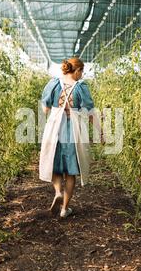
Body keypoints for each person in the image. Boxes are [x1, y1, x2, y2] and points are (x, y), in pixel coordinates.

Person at [39, 57, 98, 218]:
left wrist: (53, 108)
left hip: (55, 129)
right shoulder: (80, 87)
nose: (82, 75)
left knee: (54, 163)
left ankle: (57, 191)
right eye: (81, 72)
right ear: (77, 71)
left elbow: (45, 108)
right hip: (73, 131)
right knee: (70, 172)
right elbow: (91, 112)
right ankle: (65, 209)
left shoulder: (54, 84)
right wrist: (101, 131)